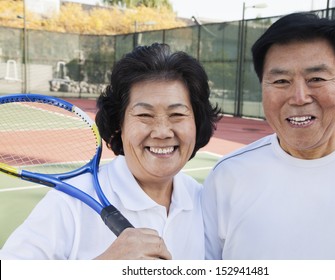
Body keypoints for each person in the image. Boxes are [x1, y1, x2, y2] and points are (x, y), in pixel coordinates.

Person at [0, 43, 221, 260]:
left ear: (197, 123)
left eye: (177, 115)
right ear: (119, 126)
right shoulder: (69, 202)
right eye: (144, 115)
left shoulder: (202, 200)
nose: (162, 132)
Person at [202, 12, 335, 260]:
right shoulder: (227, 176)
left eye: (316, 79)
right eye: (281, 81)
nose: (299, 97)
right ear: (263, 89)